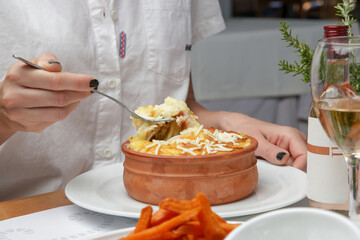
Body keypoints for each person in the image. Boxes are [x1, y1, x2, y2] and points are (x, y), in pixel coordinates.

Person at [0, 0, 306, 201]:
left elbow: (181, 108)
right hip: (32, 217)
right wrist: (3, 118)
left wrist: (228, 126)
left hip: (166, 214)